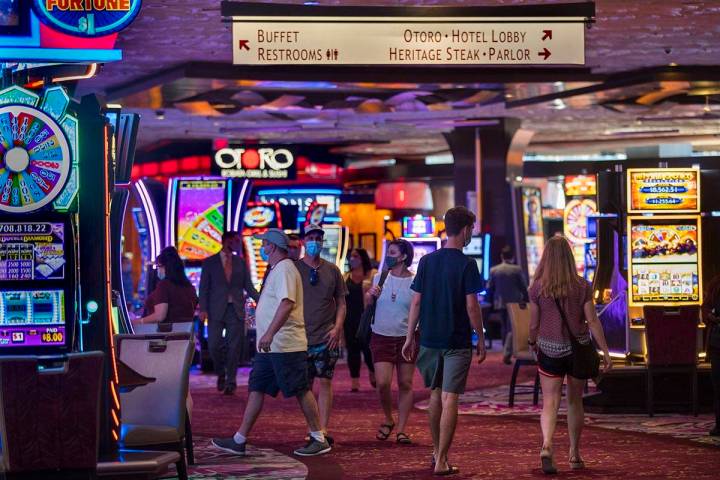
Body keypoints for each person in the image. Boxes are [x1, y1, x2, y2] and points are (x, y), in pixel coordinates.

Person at [212, 228, 331, 457]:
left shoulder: (285, 268)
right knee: (256, 387)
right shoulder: (277, 269)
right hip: (270, 346)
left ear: (273, 247)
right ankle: (239, 439)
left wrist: (269, 333)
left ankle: (318, 437)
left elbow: (287, 303)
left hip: (285, 344)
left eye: (264, 244)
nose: (261, 248)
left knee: (300, 389)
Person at [402, 206, 486, 476]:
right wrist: (481, 337)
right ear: (464, 230)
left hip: (429, 338)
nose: (471, 233)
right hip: (456, 340)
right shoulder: (467, 264)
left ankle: (437, 452)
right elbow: (472, 306)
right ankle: (441, 461)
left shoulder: (427, 261)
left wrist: (408, 336)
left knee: (435, 395)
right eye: (471, 229)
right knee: (451, 398)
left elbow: (416, 301)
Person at [527, 235, 612, 474]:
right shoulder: (582, 286)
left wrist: (532, 342)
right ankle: (574, 454)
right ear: (569, 258)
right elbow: (593, 321)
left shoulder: (537, 288)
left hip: (549, 349)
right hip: (577, 350)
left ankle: (546, 445)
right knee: (574, 401)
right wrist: (605, 352)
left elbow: (534, 324)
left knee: (550, 402)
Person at [295, 224, 348, 441]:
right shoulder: (294, 269)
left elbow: (342, 303)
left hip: (327, 336)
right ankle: (313, 428)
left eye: (318, 237)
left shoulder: (332, 270)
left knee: (325, 382)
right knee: (304, 387)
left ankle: (322, 429)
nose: (315, 241)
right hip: (299, 337)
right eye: (311, 237)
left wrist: (337, 328)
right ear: (302, 241)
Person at [366, 239, 417, 444]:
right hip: (381, 335)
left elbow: (419, 310)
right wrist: (370, 295)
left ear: (403, 257)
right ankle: (388, 419)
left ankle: (402, 429)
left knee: (405, 383)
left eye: (393, 252)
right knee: (383, 383)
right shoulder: (380, 277)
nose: (389, 256)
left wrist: (413, 336)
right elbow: (367, 305)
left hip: (406, 336)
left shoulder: (415, 281)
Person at [199, 231, 259, 395]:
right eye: (235, 241)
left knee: (234, 348)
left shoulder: (240, 262)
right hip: (215, 309)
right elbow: (203, 288)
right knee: (213, 345)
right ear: (226, 241)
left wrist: (262, 299)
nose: (238, 244)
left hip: (236, 309)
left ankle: (231, 381)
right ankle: (221, 373)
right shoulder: (210, 262)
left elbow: (249, 287)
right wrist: (202, 309)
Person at [135, 247, 197, 326]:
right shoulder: (189, 287)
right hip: (186, 335)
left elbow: (160, 316)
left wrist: (138, 321)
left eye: (158, 266)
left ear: (165, 267)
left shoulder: (164, 285)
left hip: (165, 335)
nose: (157, 270)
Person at [487, 245, 529, 364]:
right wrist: (526, 300)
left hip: (500, 302)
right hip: (515, 302)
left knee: (504, 326)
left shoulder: (494, 270)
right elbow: (523, 287)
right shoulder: (517, 269)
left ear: (502, 256)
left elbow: (490, 287)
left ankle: (504, 349)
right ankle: (509, 351)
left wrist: (489, 303)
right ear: (513, 257)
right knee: (513, 327)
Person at [344, 248, 376, 391]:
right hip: (350, 318)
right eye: (351, 257)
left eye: (355, 256)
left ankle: (373, 372)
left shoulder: (373, 274)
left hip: (367, 318)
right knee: (352, 350)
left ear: (362, 258)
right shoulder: (345, 277)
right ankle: (354, 381)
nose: (352, 259)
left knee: (369, 349)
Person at [702, 273, 720, 437]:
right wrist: (711, 316)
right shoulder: (716, 283)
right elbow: (705, 309)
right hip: (717, 342)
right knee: (718, 385)